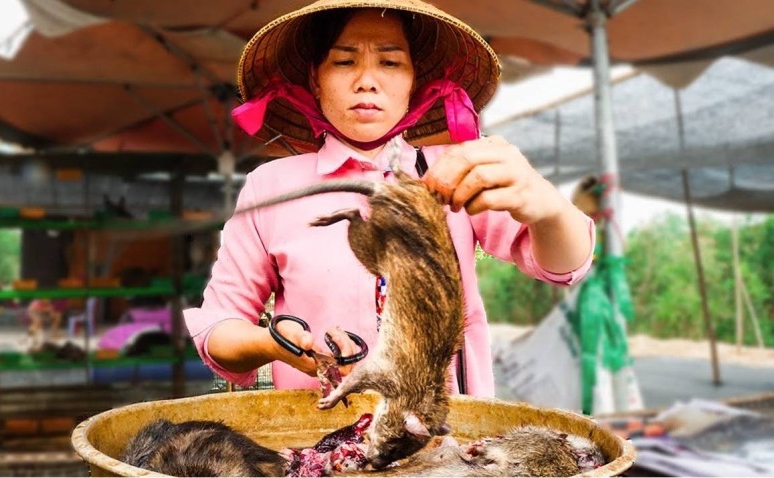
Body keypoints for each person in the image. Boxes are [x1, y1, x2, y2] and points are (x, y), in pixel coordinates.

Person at [184, 0, 595, 397]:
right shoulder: (270, 186)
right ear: (315, 78)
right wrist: (277, 344)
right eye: (344, 61)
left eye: (390, 62)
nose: (367, 80)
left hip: (445, 440)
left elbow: (565, 267)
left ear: (414, 79)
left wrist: (551, 210)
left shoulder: (459, 168)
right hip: (319, 437)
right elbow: (217, 329)